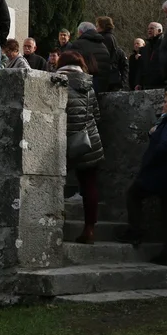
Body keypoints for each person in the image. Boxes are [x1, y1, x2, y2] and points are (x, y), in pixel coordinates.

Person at [118, 88, 167, 266]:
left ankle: (136, 231)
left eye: (166, 102)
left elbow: (164, 145)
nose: (163, 105)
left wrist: (150, 162)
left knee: (134, 194)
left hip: (163, 174)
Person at [56, 51, 104, 244]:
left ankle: (54, 224)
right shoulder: (88, 85)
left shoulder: (58, 83)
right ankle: (89, 229)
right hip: (89, 141)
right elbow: (96, 115)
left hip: (65, 142)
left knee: (55, 183)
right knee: (89, 186)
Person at [71, 22, 113, 93]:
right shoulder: (103, 46)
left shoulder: (78, 44)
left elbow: (72, 65)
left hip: (84, 86)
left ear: (80, 32)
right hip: (103, 86)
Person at [96, 16, 128, 92]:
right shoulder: (110, 37)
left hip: (107, 77)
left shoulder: (105, 38)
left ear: (102, 26)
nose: (96, 28)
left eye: (97, 26)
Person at [138, 22, 165, 90]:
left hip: (161, 83)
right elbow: (143, 66)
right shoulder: (146, 48)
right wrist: (139, 83)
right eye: (148, 29)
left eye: (152, 28)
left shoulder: (165, 44)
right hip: (147, 84)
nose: (149, 30)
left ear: (159, 30)